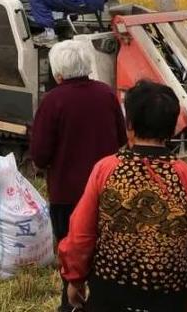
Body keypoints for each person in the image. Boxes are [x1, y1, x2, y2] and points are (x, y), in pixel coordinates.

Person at [59, 80, 187, 312]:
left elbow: (80, 235)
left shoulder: (106, 170)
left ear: (129, 125)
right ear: (172, 129)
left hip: (109, 296)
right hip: (172, 299)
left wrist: (75, 279)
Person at [30, 40, 126, 312]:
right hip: (108, 191)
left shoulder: (53, 101)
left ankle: (70, 303)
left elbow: (40, 154)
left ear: (58, 73)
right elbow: (121, 137)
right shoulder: (106, 94)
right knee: (105, 251)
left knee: (71, 252)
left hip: (67, 195)